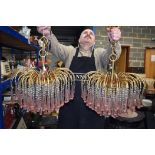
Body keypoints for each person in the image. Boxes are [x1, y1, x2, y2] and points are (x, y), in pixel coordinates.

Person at [37, 26, 121, 129]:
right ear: (79, 40)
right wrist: (47, 34)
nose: (88, 34)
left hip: (95, 110)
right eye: (85, 32)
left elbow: (111, 55)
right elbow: (55, 46)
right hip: (69, 109)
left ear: (94, 41)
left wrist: (114, 42)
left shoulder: (99, 54)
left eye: (91, 33)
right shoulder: (70, 52)